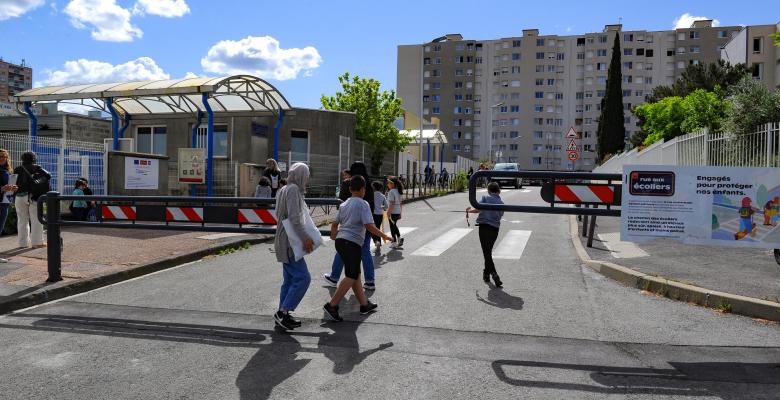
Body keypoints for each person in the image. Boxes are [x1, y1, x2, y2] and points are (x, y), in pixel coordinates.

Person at [323, 175, 391, 322]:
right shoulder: (363, 204)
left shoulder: (344, 204)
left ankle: (364, 304)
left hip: (341, 242)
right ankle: (332, 305)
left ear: (350, 189)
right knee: (351, 275)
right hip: (352, 243)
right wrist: (384, 236)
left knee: (355, 275)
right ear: (362, 189)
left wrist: (334, 236)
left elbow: (334, 224)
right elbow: (369, 226)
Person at [323, 162, 377, 290]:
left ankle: (334, 277)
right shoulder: (367, 184)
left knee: (342, 252)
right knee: (365, 252)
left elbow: (340, 201)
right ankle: (370, 281)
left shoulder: (349, 183)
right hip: (366, 223)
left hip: (349, 225)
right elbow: (372, 206)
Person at [273, 163, 314, 330]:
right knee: (304, 278)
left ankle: (283, 314)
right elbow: (294, 218)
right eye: (307, 174)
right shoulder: (293, 190)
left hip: (283, 238)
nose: (308, 178)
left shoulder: (284, 189)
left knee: (289, 280)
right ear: (301, 175)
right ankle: (282, 313)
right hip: (290, 241)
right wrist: (306, 238)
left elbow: (279, 214)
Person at [466, 182, 504, 288]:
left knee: (486, 253)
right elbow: (500, 216)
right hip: (495, 229)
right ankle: (486, 274)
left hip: (484, 228)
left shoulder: (486, 198)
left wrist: (469, 210)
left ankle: (494, 275)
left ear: (489, 190)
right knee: (488, 252)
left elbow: (478, 208)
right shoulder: (502, 202)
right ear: (498, 191)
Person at [12, 152, 50, 249]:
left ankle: (22, 244)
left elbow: (12, 183)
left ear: (22, 159)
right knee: (36, 219)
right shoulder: (36, 167)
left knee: (22, 220)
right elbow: (48, 175)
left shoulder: (17, 169)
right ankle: (37, 242)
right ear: (34, 158)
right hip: (33, 196)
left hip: (19, 197)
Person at [0, 149, 15, 263]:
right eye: (1, 156)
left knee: (0, 228)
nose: (3, 159)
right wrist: (2, 188)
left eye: (5, 157)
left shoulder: (7, 170)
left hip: (5, 202)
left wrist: (14, 188)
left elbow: (9, 185)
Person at [386, 176, 404, 249]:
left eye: (389, 183)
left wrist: (388, 212)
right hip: (397, 211)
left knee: (392, 227)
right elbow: (400, 203)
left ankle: (394, 242)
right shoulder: (398, 191)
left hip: (392, 212)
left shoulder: (391, 192)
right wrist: (400, 213)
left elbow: (392, 203)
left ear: (392, 184)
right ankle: (399, 238)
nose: (387, 184)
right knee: (394, 225)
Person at [371, 180, 388, 248]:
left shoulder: (371, 195)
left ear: (374, 187)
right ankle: (379, 242)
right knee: (378, 228)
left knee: (372, 229)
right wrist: (381, 207)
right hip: (380, 215)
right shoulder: (382, 196)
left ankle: (376, 241)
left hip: (373, 214)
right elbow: (386, 207)